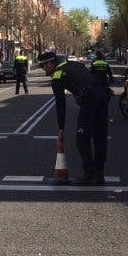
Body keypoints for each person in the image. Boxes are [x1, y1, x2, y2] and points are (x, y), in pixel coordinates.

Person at [39, 50, 107, 185]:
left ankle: (89, 174)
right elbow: (86, 78)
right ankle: (99, 174)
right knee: (100, 137)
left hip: (90, 100)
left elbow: (60, 103)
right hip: (103, 96)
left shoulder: (57, 75)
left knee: (82, 138)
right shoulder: (74, 64)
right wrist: (78, 93)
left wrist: (61, 128)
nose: (43, 69)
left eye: (43, 66)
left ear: (50, 64)